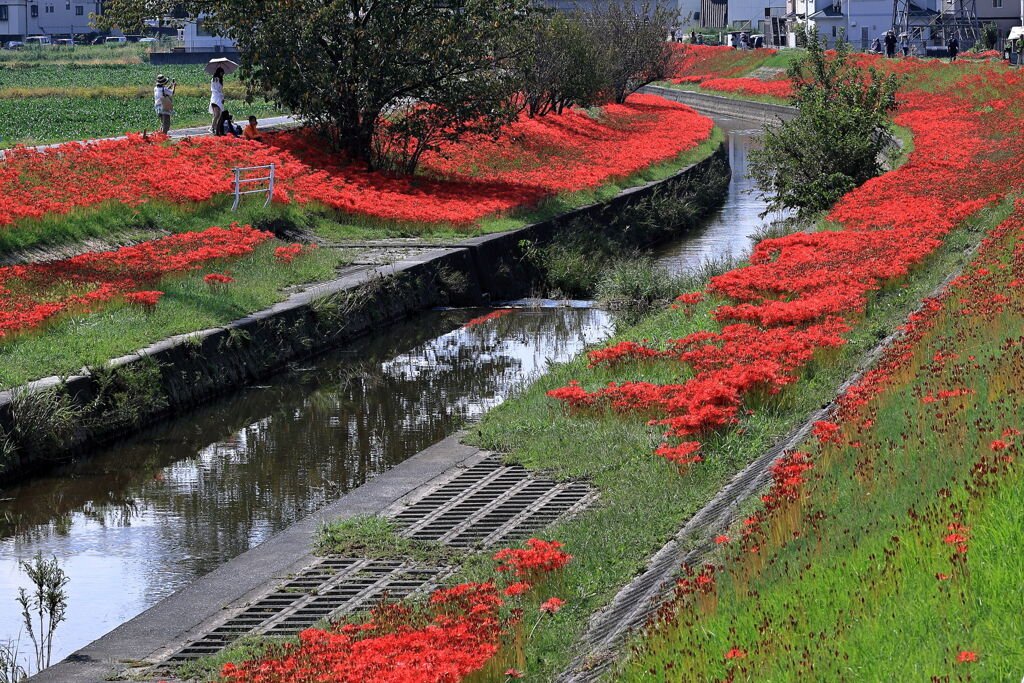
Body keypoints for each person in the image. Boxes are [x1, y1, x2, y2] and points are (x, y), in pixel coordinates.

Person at [210, 67, 225, 135]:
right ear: (219, 72)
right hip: (216, 98)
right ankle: (212, 128)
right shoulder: (216, 79)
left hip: (216, 98)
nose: (223, 74)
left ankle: (216, 128)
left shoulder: (217, 79)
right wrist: (222, 97)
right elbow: (217, 90)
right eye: (222, 73)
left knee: (217, 114)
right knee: (217, 114)